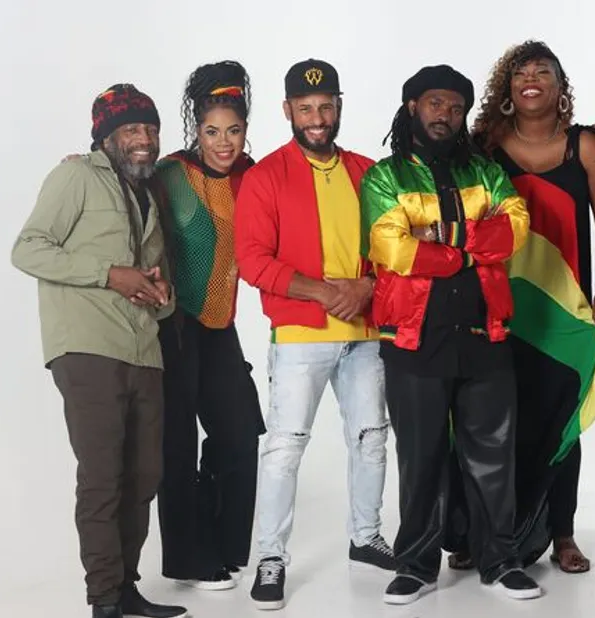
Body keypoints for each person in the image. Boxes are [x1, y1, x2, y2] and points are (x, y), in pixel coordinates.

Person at [360, 63, 541, 605]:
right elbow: (392, 249)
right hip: (415, 335)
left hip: (485, 329)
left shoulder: (484, 171)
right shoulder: (384, 175)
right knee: (422, 456)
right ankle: (415, 565)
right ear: (413, 106)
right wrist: (469, 243)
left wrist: (441, 237)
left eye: (456, 107)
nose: (446, 114)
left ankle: (500, 560)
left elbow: (516, 229)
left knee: (493, 454)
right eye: (435, 103)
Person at [445, 40, 595, 575]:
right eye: (520, 72)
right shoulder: (483, 147)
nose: (531, 79)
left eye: (542, 71)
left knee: (562, 419)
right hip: (497, 304)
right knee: (488, 421)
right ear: (506, 88)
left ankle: (562, 533)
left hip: (565, 312)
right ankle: (481, 530)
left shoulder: (585, 146)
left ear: (558, 86)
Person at [11, 84, 188, 618]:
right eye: (133, 129)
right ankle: (104, 598)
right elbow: (28, 247)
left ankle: (127, 589)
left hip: (143, 350)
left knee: (144, 475)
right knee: (103, 474)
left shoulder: (149, 191)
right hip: (87, 347)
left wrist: (159, 292)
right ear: (106, 136)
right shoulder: (75, 176)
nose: (145, 140)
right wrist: (110, 274)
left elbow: (153, 282)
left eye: (151, 130)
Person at [233, 58, 394, 611]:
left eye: (326, 106)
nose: (317, 118)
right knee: (284, 448)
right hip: (302, 336)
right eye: (305, 109)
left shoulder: (369, 172)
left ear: (339, 106)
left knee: (372, 436)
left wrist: (366, 288)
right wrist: (327, 293)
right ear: (287, 112)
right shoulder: (265, 177)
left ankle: (366, 536)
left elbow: (393, 252)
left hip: (366, 333)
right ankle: (271, 558)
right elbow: (252, 260)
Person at [153, 60, 265, 590]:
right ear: (195, 131)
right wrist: (85, 165)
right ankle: (191, 560)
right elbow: (123, 199)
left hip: (220, 323)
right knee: (177, 441)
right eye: (212, 131)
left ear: (247, 130)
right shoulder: (171, 173)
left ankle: (225, 547)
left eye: (234, 130)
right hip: (173, 323)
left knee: (240, 433)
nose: (225, 142)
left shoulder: (254, 176)